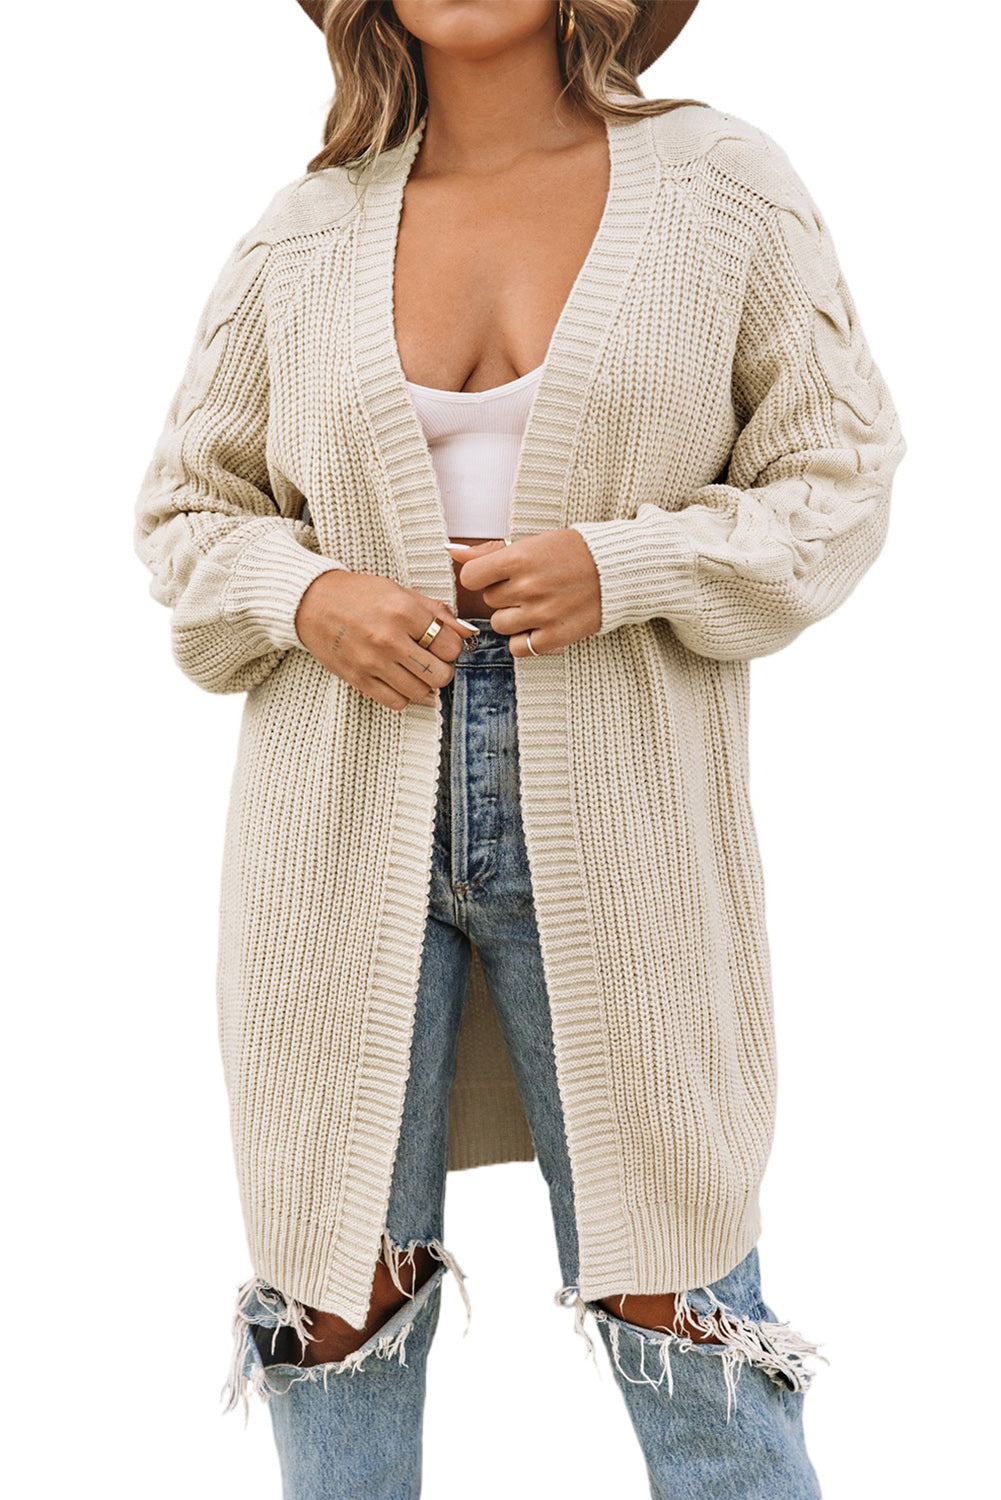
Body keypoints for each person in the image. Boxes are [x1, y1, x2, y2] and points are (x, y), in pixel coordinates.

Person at [133, 1, 906, 1494]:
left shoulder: (721, 187)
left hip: (623, 804)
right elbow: (186, 509)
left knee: (676, 1285)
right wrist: (310, 595)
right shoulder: (301, 235)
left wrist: (628, 563)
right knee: (333, 1293)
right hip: (330, 811)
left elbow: (836, 474)